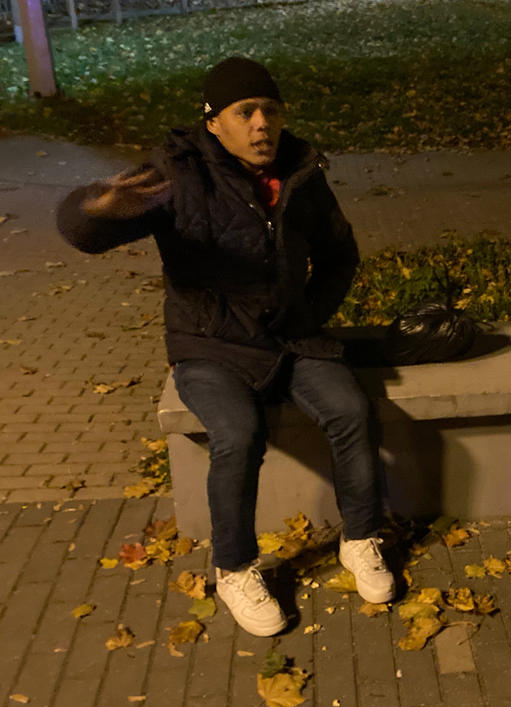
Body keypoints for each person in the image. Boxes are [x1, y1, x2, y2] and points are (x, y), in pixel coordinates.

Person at [58, 57, 395, 637]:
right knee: (238, 435)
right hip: (210, 344)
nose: (263, 124)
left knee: (351, 412)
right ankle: (235, 567)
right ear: (215, 123)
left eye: (272, 111)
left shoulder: (300, 172)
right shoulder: (179, 174)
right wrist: (93, 209)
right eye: (246, 112)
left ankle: (360, 539)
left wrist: (308, 313)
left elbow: (340, 254)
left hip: (289, 336)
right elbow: (90, 231)